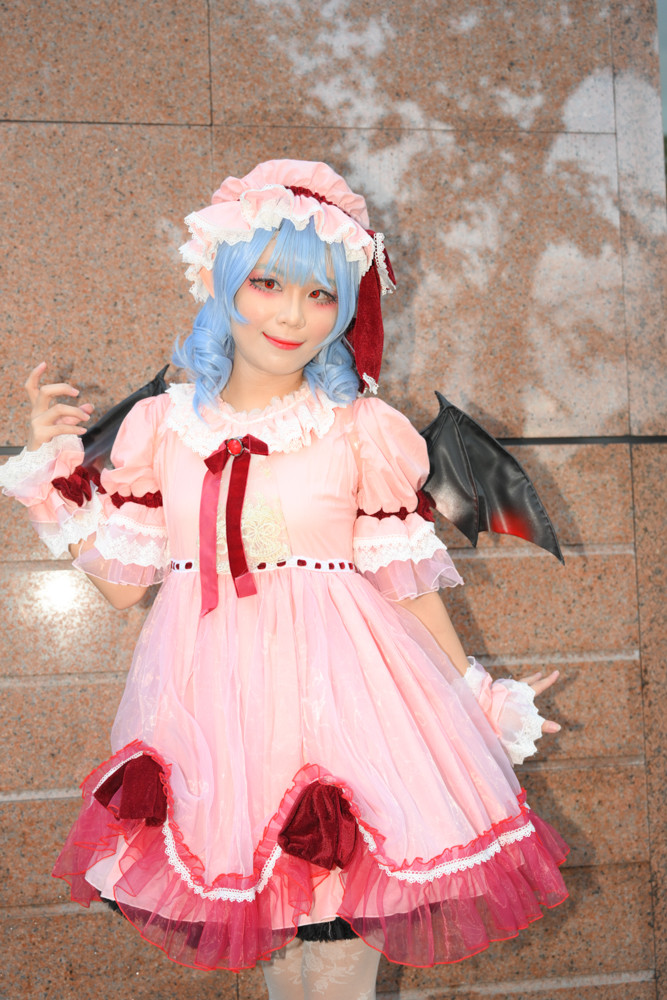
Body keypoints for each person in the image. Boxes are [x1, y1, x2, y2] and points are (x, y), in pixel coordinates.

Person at [0, 160, 567, 999]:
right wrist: (45, 477)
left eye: (320, 294)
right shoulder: (161, 427)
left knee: (339, 967)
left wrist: (477, 696)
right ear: (218, 279)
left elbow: (405, 584)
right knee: (283, 972)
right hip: (211, 718)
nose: (293, 315)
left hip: (347, 709)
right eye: (267, 283)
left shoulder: (359, 428)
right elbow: (123, 586)